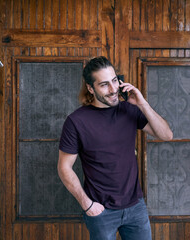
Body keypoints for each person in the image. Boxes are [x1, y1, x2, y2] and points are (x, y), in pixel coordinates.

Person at [58, 56, 173, 240]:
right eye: (104, 84)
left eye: (114, 81)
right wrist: (87, 204)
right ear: (90, 88)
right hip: (101, 211)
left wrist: (142, 103)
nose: (113, 90)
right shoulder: (76, 121)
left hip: (135, 207)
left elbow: (166, 135)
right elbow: (64, 168)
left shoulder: (128, 109)